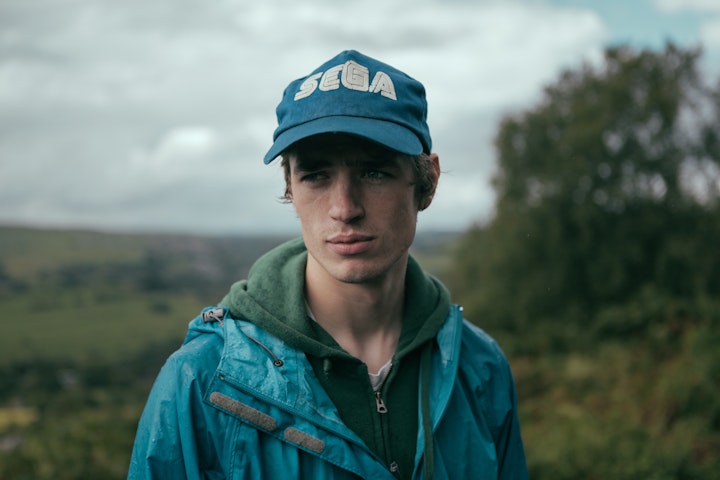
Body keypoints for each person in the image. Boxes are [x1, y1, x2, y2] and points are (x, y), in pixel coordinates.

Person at [128, 49, 528, 479]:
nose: (344, 208)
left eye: (374, 172)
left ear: (426, 182)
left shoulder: (479, 367)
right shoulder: (202, 380)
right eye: (316, 175)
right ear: (289, 186)